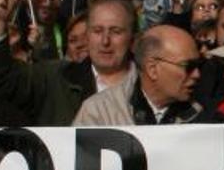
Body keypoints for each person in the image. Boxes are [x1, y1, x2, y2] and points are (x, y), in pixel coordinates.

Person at [0, 0, 136, 126]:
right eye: (97, 31)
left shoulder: (151, 84)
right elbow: (4, 81)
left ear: (132, 38)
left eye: (116, 31)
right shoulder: (54, 78)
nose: (105, 41)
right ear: (88, 36)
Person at [73, 25, 204, 125]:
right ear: (153, 69)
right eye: (188, 67)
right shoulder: (100, 113)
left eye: (199, 65)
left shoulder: (204, 114)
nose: (197, 74)